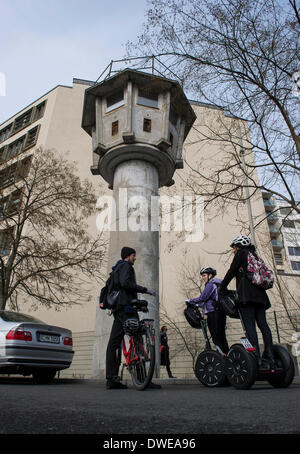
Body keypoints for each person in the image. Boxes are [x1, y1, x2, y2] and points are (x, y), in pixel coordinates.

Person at [106, 246, 161, 389]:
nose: (135, 258)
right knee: (137, 339)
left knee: (114, 343)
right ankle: (143, 379)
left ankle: (111, 379)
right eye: (133, 255)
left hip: (118, 309)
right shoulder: (126, 266)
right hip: (127, 308)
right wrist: (144, 289)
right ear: (128, 256)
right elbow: (125, 283)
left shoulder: (116, 268)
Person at [219, 235, 275, 369]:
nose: (234, 250)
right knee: (263, 325)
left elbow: (231, 272)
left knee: (250, 325)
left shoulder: (241, 254)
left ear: (238, 246)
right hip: (261, 297)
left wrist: (222, 287)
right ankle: (270, 353)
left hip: (247, 296)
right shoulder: (255, 256)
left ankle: (255, 355)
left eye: (234, 248)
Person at [186, 267, 229, 355]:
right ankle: (226, 353)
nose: (203, 277)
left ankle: (221, 354)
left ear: (210, 275)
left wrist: (190, 301)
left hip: (213, 313)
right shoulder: (217, 284)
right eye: (202, 276)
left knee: (215, 335)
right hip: (220, 312)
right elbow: (209, 301)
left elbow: (203, 298)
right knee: (221, 334)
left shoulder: (211, 284)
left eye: (204, 275)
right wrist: (197, 305)